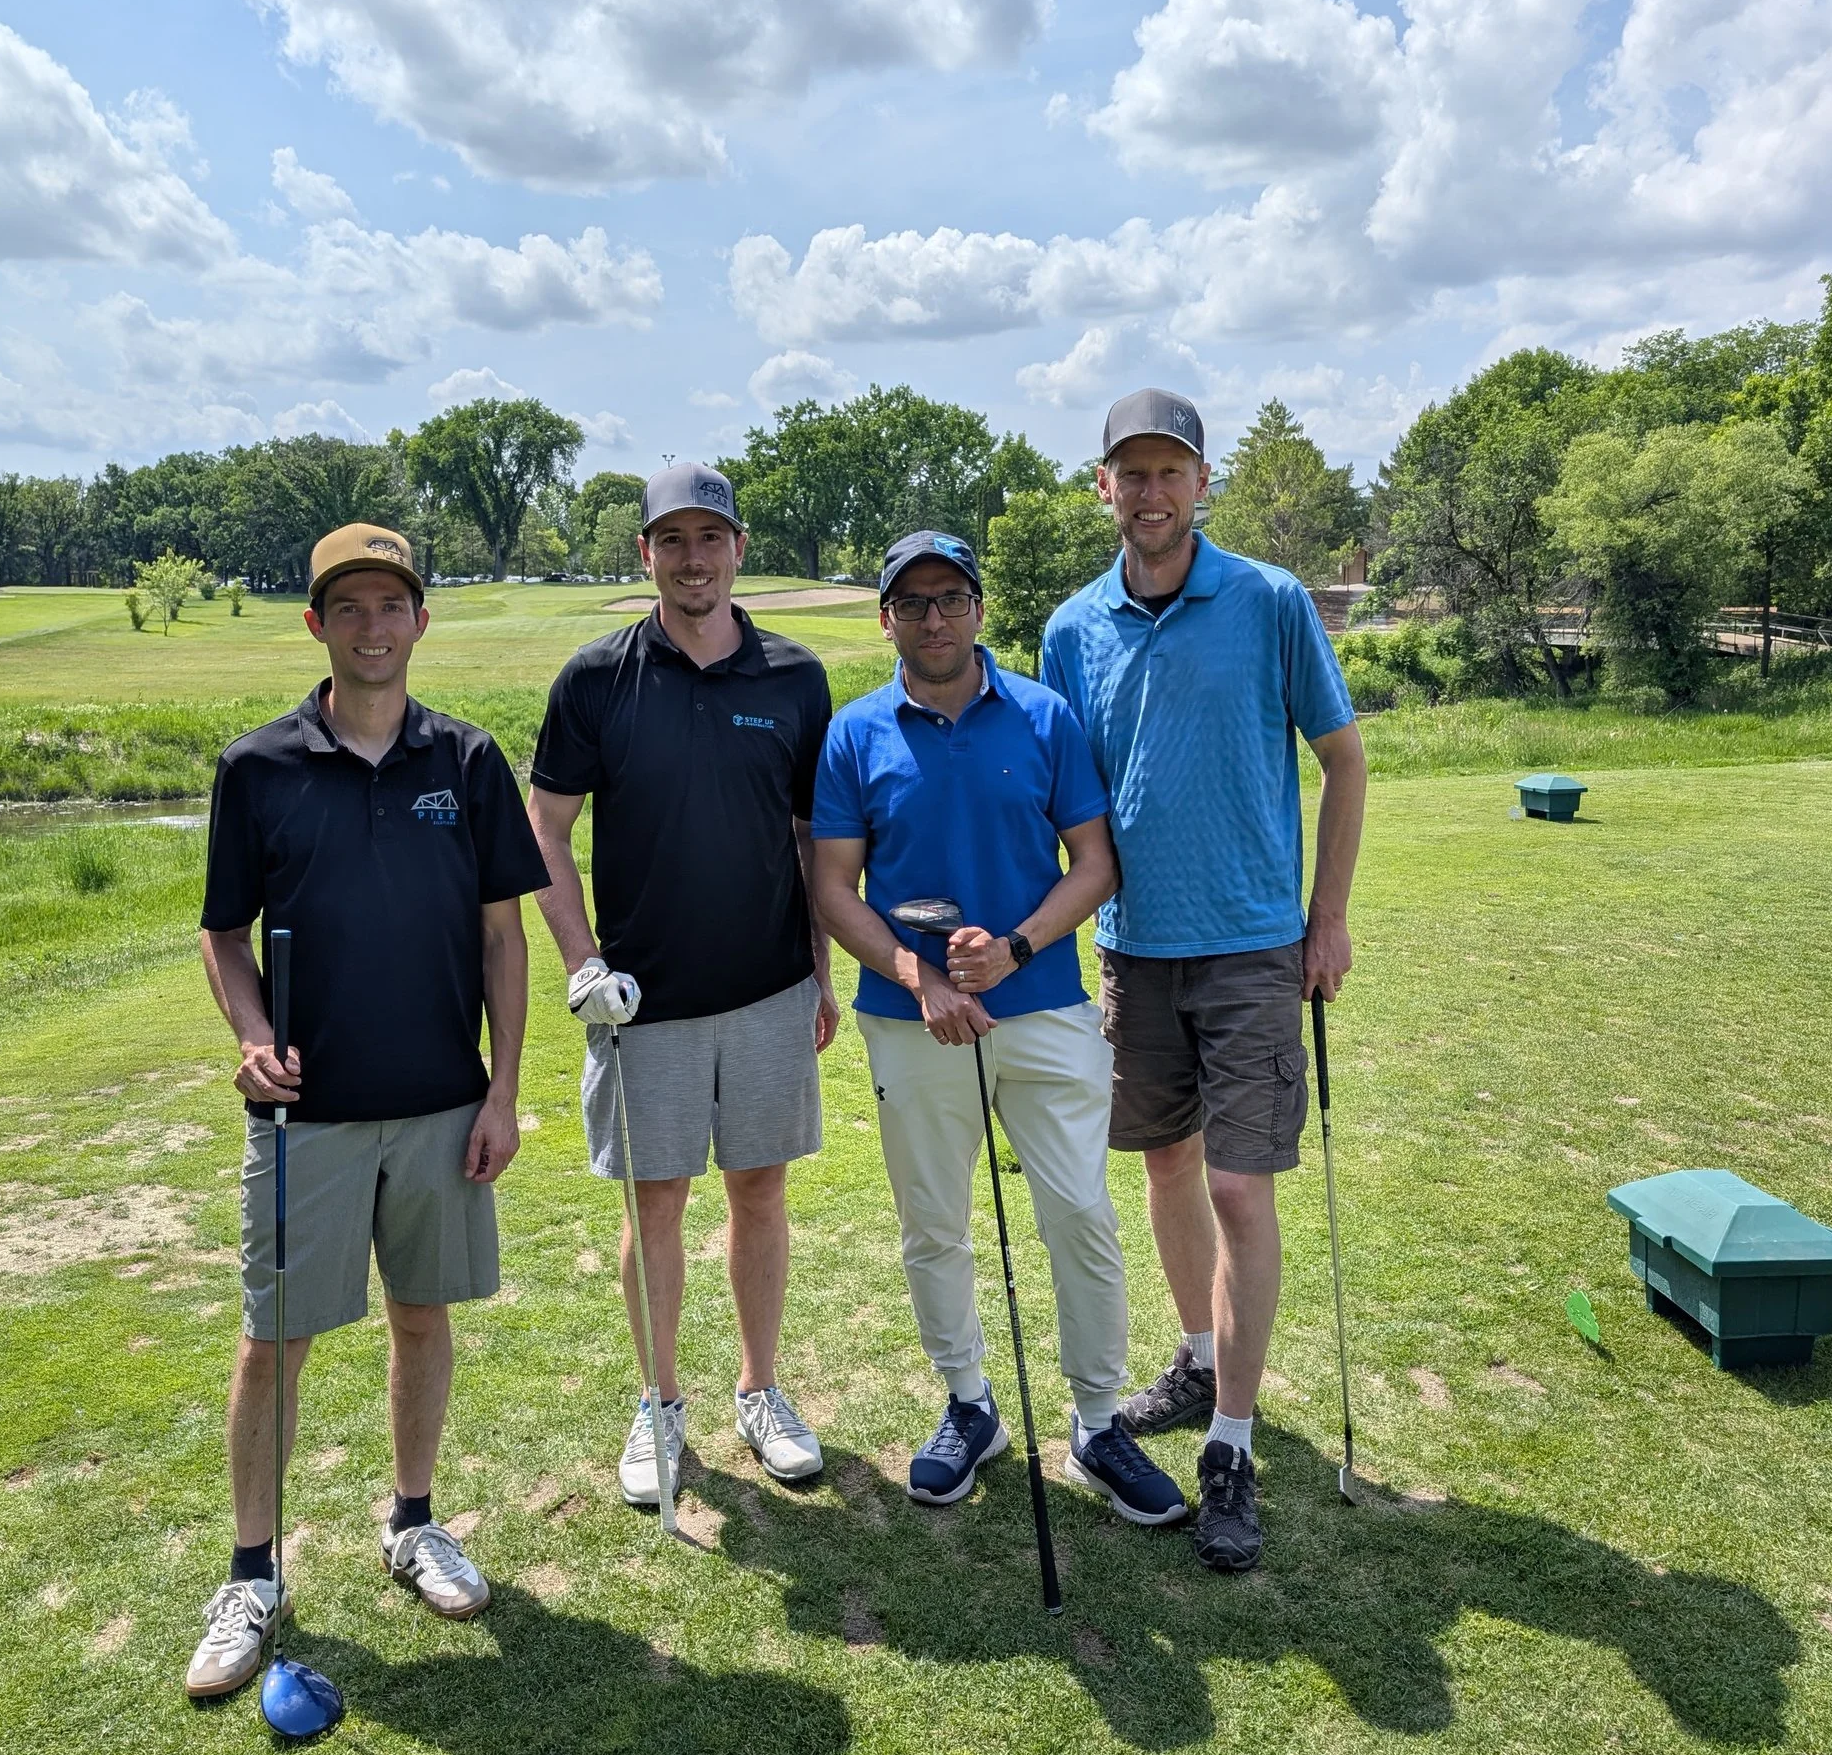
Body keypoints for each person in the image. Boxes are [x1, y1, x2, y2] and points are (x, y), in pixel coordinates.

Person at [186, 522, 551, 1699]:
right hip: (311, 1117)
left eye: (391, 604)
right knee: (276, 1339)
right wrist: (249, 1036)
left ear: (420, 621)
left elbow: (504, 934)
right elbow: (222, 933)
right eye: (349, 606)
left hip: (444, 1102)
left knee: (423, 1316)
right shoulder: (259, 767)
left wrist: (502, 1089)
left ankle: (411, 1519)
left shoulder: (468, 760)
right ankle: (252, 1572)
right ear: (316, 623)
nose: (373, 625)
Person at [1039, 390, 1368, 1573]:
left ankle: (1229, 1443)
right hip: (1133, 945)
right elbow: (1066, 796)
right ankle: (1195, 1355)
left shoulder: (1271, 601)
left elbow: (1341, 759)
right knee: (1165, 1162)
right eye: (1130, 474)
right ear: (1104, 488)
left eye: (1168, 471)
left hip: (1250, 947)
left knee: (1239, 1188)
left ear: (1202, 481)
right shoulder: (1071, 627)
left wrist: (1325, 918)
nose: (1150, 492)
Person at [811, 531, 1186, 1524]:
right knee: (933, 1224)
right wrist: (917, 974)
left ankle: (1098, 1421)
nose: (933, 618)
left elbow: (1095, 863)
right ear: (884, 616)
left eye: (951, 598)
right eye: (912, 602)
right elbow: (832, 886)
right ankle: (969, 1405)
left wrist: (1014, 948)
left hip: (1043, 1004)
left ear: (978, 607)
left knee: (1081, 1217)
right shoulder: (856, 733)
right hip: (911, 1020)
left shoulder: (1043, 714)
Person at [527, 462, 839, 1509]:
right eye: (673, 540)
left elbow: (810, 841)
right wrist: (582, 961)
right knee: (653, 1201)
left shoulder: (795, 677)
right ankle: (660, 1403)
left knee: (760, 1189)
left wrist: (820, 974)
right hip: (641, 1004)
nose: (692, 557)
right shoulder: (594, 679)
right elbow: (547, 833)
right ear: (645, 553)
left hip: (765, 990)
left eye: (711, 538)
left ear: (738, 548)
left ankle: (758, 1389)